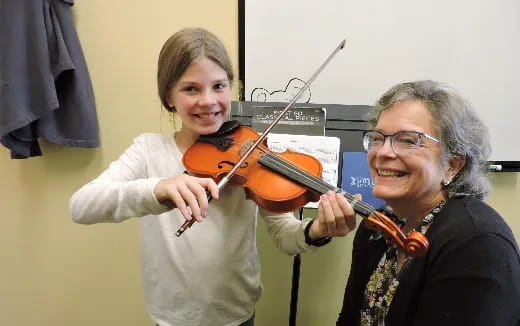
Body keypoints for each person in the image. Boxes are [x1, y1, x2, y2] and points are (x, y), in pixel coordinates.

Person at [69, 27, 356, 326]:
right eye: (191, 89)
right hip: (171, 318)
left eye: (218, 86)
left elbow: (286, 236)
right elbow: (81, 206)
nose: (208, 101)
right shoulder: (148, 150)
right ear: (168, 96)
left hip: (236, 316)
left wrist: (317, 231)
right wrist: (158, 189)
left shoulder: (251, 154)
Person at [336, 80, 520, 325]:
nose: (382, 152)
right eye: (378, 138)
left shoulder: (477, 242)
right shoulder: (378, 228)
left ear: (451, 166)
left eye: (408, 141)